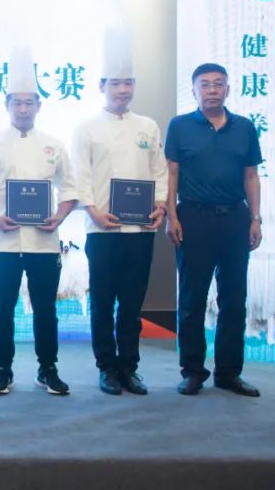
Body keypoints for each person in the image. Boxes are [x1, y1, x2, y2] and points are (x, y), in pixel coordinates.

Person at [0, 46, 78, 396]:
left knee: (46, 310)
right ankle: (3, 369)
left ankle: (48, 369)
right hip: (3, 242)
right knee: (2, 311)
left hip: (44, 243)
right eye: (17, 103)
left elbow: (71, 188)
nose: (23, 109)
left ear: (39, 106)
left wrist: (59, 216)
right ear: (7, 105)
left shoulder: (54, 145)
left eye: (29, 103)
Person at [71, 27, 167, 395]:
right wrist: (92, 210)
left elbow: (159, 171)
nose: (123, 90)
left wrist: (160, 205)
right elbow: (79, 175)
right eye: (116, 83)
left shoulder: (148, 126)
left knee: (131, 304)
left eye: (129, 83)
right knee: (102, 303)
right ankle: (106, 368)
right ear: (102, 86)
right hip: (102, 230)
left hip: (140, 232)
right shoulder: (87, 128)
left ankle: (129, 367)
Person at [165, 62, 263, 397]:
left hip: (235, 218)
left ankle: (228, 373)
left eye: (218, 84)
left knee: (234, 299)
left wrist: (255, 218)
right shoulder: (179, 126)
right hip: (193, 218)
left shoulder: (244, 127)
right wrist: (171, 216)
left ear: (228, 89)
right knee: (192, 299)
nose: (211, 90)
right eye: (204, 84)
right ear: (194, 91)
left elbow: (251, 176)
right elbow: (171, 174)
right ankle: (193, 371)